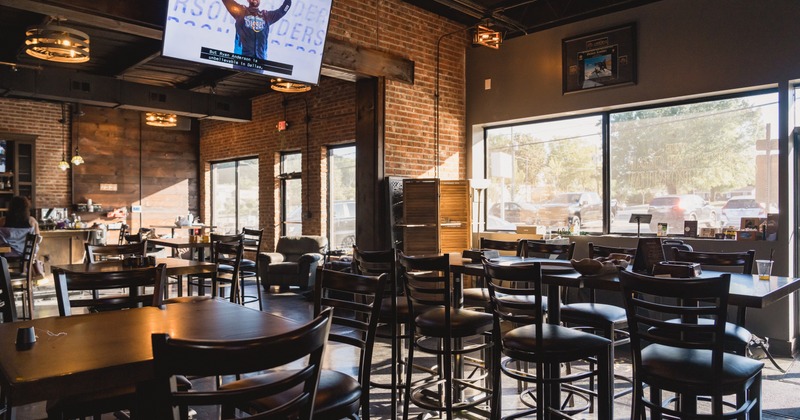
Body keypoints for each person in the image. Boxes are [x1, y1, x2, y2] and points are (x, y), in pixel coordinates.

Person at [222, 0, 292, 62]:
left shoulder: (266, 16)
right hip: (241, 61)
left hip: (260, 62)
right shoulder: (240, 12)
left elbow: (283, 10)